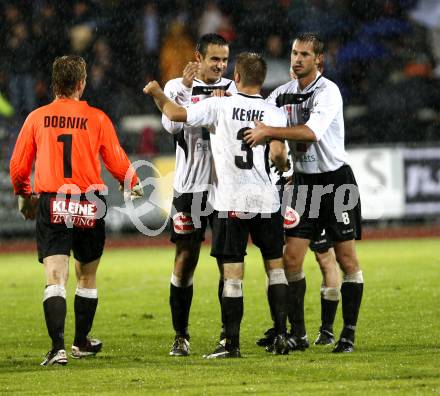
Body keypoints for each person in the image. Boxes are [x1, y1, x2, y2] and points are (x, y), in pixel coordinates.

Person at [144, 52, 290, 358]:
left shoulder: (221, 104)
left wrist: (157, 92)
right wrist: (285, 169)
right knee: (275, 268)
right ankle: (280, 335)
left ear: (236, 76)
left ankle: (230, 343)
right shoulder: (272, 112)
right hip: (264, 199)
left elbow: (176, 115)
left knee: (233, 273)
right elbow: (278, 155)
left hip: (230, 199)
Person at [9, 55, 142, 366]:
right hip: (89, 202)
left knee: (56, 275)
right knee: (87, 276)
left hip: (54, 199)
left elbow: (18, 166)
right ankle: (81, 341)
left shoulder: (37, 117)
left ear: (55, 84)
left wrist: (24, 194)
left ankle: (58, 349)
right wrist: (131, 182)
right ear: (82, 83)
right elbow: (117, 159)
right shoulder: (97, 118)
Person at [244, 33, 364, 353]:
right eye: (294, 53)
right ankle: (298, 334)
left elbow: (309, 133)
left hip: (336, 182)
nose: (297, 59)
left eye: (304, 55)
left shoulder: (328, 91)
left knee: (345, 258)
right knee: (291, 259)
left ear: (318, 60)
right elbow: (255, 109)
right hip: (302, 184)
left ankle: (347, 334)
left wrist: (271, 132)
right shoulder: (282, 94)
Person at [160, 33, 236, 356]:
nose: (220, 65)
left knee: (226, 262)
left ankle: (226, 336)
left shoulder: (231, 88)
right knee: (185, 259)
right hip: (189, 188)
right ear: (198, 57)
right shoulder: (174, 87)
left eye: (224, 59)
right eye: (214, 59)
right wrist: (192, 93)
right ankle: (181, 334)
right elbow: (171, 126)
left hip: (222, 189)